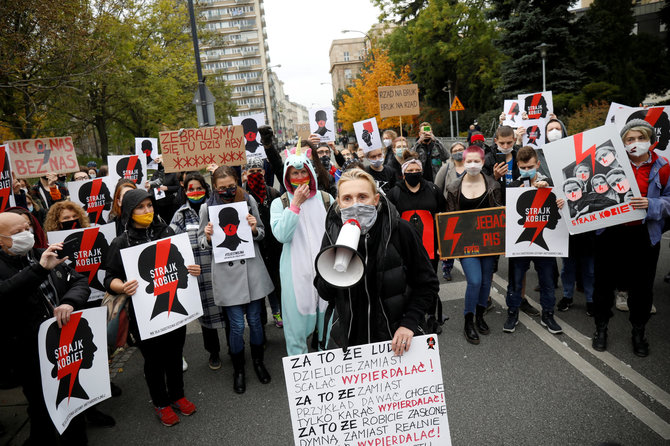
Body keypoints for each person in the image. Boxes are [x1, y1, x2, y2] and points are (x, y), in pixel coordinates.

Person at [314, 169, 438, 354]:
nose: (355, 204)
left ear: (376, 199)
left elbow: (427, 283)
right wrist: (336, 263)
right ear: (339, 202)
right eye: (347, 198)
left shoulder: (400, 231)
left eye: (362, 196)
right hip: (349, 339)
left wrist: (409, 323)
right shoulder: (333, 234)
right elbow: (324, 292)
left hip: (395, 337)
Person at [104, 188, 200, 426]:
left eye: (149, 205)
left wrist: (192, 268)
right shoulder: (121, 241)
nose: (147, 211)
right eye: (140, 207)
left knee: (175, 354)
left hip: (174, 308)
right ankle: (161, 403)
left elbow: (181, 262)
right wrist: (122, 286)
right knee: (154, 361)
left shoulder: (166, 231)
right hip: (143, 314)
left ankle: (178, 395)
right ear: (129, 211)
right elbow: (109, 279)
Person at [0, 211, 90, 444]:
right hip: (28, 353)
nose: (26, 235)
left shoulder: (44, 253)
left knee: (73, 397)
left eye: (28, 228)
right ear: (1, 240)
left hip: (64, 343)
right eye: (17, 232)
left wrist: (70, 302)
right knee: (42, 406)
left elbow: (78, 281)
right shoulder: (31, 264)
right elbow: (6, 293)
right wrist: (39, 269)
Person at [591, 119, 670, 357]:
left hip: (644, 235)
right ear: (622, 142)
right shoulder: (607, 163)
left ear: (650, 140)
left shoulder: (663, 166)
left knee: (642, 286)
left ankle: (639, 331)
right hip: (610, 232)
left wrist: (652, 203)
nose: (636, 143)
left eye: (641, 138)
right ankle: (601, 328)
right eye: (630, 139)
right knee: (603, 284)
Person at [199, 166, 274, 393]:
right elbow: (202, 242)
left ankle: (258, 362)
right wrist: (209, 237)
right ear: (214, 187)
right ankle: (239, 369)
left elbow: (262, 232)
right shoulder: (206, 207)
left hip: (250, 269)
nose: (228, 191)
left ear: (237, 183)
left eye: (231, 186)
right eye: (222, 188)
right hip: (226, 273)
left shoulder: (248, 200)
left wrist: (253, 229)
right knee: (237, 324)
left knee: (254, 319)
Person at [270, 143, 334, 356]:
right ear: (287, 177)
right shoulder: (279, 203)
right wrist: (294, 205)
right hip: (295, 276)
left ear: (311, 173)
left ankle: (329, 368)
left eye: (302, 172)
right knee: (296, 332)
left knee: (329, 327)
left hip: (326, 272)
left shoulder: (326, 200)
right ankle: (301, 380)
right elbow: (282, 235)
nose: (298, 177)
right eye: (294, 173)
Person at [444, 146, 502, 344]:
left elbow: (498, 216)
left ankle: (480, 316)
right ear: (463, 161)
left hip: (488, 243)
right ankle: (468, 320)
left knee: (486, 281)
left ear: (483, 162)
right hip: (466, 243)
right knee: (475, 281)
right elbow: (449, 220)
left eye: (477, 161)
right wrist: (448, 248)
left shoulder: (493, 185)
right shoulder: (453, 187)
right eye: (469, 161)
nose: (473, 165)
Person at [170, 172, 227, 371]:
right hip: (199, 273)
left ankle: (234, 347)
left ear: (206, 188)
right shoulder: (180, 215)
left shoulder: (217, 208)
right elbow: (171, 243)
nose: (195, 192)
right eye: (191, 189)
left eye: (199, 187)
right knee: (207, 317)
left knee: (229, 312)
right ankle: (214, 352)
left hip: (221, 269)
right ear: (185, 191)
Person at [503, 146, 563, 335]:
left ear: (538, 164)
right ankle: (512, 312)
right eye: (523, 167)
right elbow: (507, 215)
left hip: (545, 243)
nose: (527, 170)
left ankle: (548, 314)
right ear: (518, 167)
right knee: (515, 280)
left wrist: (561, 201)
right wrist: (516, 196)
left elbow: (561, 209)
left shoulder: (550, 184)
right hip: (520, 244)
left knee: (546, 280)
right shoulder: (512, 187)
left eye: (530, 166)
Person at [387, 151, 445, 333]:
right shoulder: (394, 193)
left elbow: (443, 218)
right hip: (405, 249)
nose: (414, 172)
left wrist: (443, 246)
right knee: (407, 282)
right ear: (404, 174)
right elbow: (390, 222)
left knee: (429, 282)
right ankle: (411, 317)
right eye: (410, 170)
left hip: (430, 247)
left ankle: (432, 316)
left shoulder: (433, 190)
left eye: (417, 169)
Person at [244, 158, 283, 328]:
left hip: (274, 247)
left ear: (264, 172)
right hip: (253, 247)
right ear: (245, 174)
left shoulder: (273, 193)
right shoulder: (241, 195)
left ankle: (278, 312)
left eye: (258, 171)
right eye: (251, 172)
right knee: (258, 286)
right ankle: (260, 322)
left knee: (276, 284)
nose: (255, 175)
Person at [434, 142, 467, 281]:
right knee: (450, 242)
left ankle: (468, 267)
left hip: (467, 212)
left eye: (461, 149)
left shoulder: (472, 166)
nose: (458, 152)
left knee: (465, 242)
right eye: (455, 150)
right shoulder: (446, 168)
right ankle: (447, 268)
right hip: (450, 212)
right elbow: (437, 188)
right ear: (451, 153)